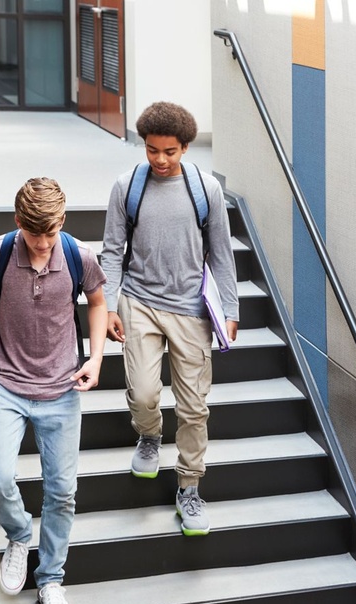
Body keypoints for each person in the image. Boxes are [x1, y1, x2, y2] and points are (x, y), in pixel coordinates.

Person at [0, 178, 108, 604]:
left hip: (62, 388)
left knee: (62, 491)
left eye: (51, 233)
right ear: (18, 222)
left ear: (63, 222)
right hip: (5, 382)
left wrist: (96, 358)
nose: (42, 244)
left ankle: (51, 580)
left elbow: (98, 302)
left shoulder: (79, 255)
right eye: (34, 234)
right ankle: (20, 535)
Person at [101, 101, 239, 536]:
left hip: (191, 311)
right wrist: (108, 304)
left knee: (194, 408)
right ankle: (149, 435)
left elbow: (221, 254)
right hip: (139, 303)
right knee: (143, 395)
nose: (160, 160)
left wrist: (231, 311)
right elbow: (111, 252)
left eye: (170, 152)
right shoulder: (127, 187)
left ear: (185, 148)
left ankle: (189, 487)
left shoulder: (206, 191)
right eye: (152, 150)